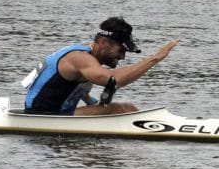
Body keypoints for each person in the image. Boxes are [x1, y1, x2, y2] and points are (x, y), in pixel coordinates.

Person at [22, 17, 180, 115]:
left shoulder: (88, 59)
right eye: (121, 50)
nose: (123, 56)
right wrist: (155, 58)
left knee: (123, 108)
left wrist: (90, 101)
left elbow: (68, 86)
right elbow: (113, 80)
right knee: (120, 109)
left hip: (53, 113)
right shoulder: (81, 58)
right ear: (104, 43)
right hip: (41, 115)